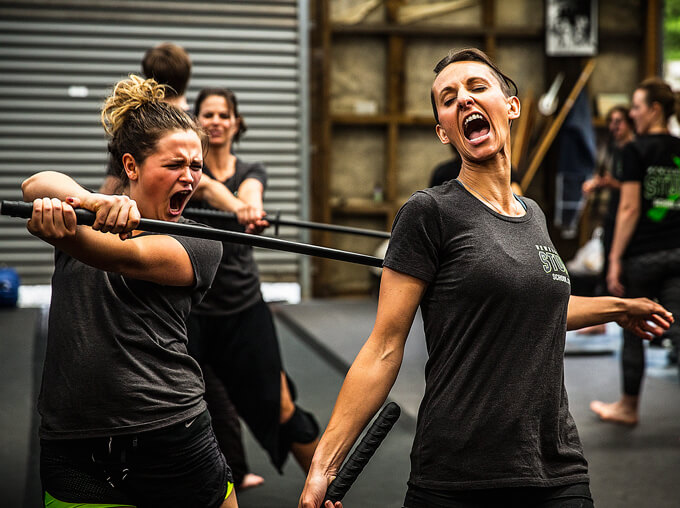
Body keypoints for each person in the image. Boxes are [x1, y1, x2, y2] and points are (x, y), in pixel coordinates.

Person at [298, 48, 673, 508]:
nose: (465, 102)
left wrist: (620, 308)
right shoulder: (428, 213)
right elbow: (384, 346)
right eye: (448, 98)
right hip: (458, 475)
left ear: (511, 106)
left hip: (555, 465)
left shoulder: (532, 213)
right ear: (443, 131)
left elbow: (539, 306)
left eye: (478, 87)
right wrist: (324, 465)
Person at [23, 75, 237, 508]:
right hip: (71, 445)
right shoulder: (87, 212)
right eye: (175, 165)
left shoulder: (201, 242)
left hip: (168, 433)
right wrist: (90, 201)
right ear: (132, 166)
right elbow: (35, 184)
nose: (190, 177)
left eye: (196, 166)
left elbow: (123, 257)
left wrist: (62, 231)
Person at [187, 87, 320, 481]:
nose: (215, 121)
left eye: (223, 115)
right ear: (196, 122)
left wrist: (250, 207)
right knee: (181, 414)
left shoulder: (250, 171)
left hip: (242, 307)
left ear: (236, 123)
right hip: (190, 313)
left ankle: (328, 492)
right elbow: (206, 188)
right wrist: (235, 207)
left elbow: (251, 193)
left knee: (281, 406)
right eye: (207, 114)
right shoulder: (188, 169)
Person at [591, 77, 680, 426]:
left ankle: (628, 407)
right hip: (677, 252)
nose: (632, 114)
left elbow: (628, 210)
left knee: (633, 328)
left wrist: (613, 260)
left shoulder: (636, 150)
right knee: (677, 328)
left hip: (643, 254)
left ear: (654, 110)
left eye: (638, 107)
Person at [100, 42, 192, 195]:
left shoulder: (136, 123)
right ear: (186, 76)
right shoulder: (200, 124)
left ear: (149, 77)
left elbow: (113, 183)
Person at [577, 106, 635, 334]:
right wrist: (598, 182)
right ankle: (602, 319)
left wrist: (611, 184)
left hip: (630, 217)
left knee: (622, 268)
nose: (614, 127)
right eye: (611, 121)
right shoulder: (613, 149)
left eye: (619, 121)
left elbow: (634, 191)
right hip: (612, 215)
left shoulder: (635, 150)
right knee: (606, 270)